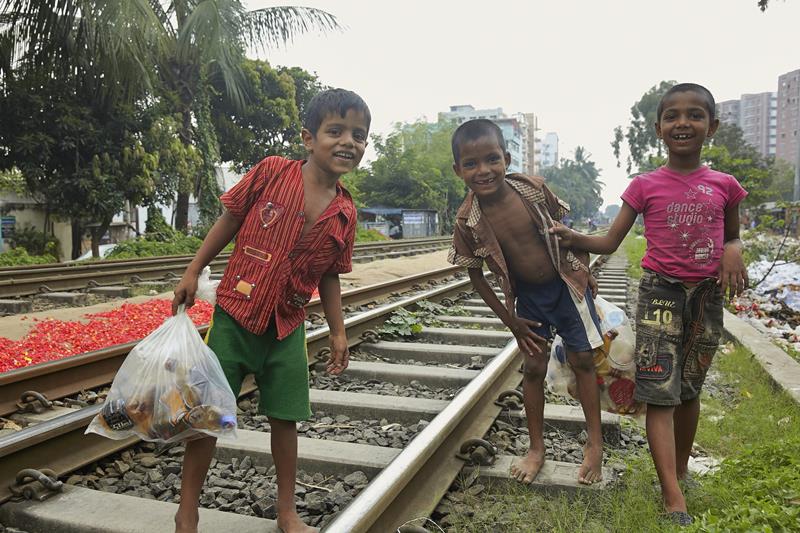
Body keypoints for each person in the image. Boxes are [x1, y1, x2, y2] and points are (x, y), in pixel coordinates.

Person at [170, 88, 370, 533]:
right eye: (334, 131)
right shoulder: (272, 172)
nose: (347, 142)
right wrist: (193, 270)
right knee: (209, 415)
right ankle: (187, 510)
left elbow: (331, 275)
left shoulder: (345, 212)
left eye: (358, 135)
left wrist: (338, 332)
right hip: (235, 318)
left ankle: (286, 511)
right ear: (308, 137)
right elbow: (230, 220)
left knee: (287, 418)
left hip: (287, 329)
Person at [550, 83, 748, 525]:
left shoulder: (726, 185)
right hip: (661, 294)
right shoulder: (644, 185)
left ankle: (680, 468)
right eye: (673, 116)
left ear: (711, 126)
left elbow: (732, 234)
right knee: (660, 392)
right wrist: (571, 237)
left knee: (690, 389)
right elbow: (609, 240)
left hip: (706, 298)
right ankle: (672, 494)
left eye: (695, 115)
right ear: (659, 128)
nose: (683, 122)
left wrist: (733, 247)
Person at [447, 119, 605, 486]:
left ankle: (594, 444)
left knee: (583, 360)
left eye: (491, 159)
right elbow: (476, 276)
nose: (483, 171)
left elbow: (566, 232)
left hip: (564, 287)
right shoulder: (466, 221)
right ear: (458, 170)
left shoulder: (531, 190)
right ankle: (536, 449)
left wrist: (584, 269)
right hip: (528, 301)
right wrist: (511, 322)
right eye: (471, 164)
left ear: (506, 157)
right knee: (532, 369)